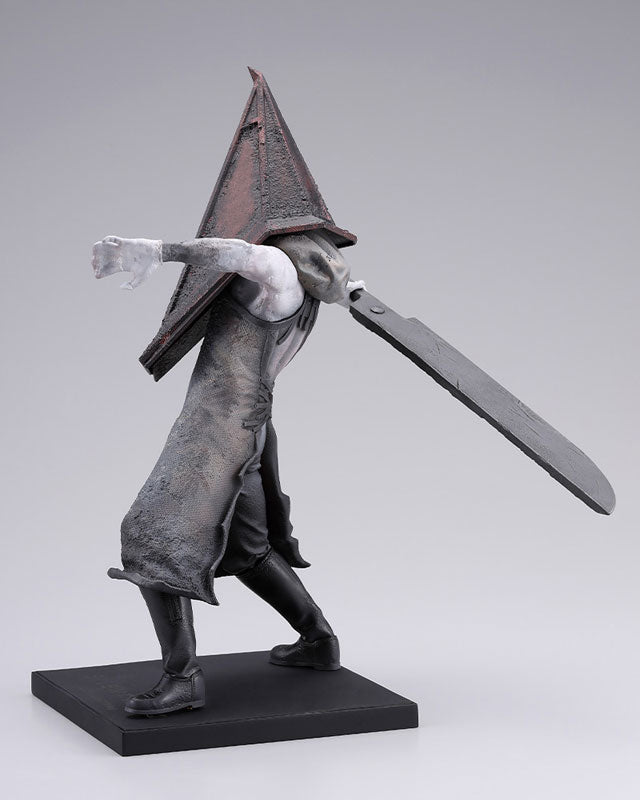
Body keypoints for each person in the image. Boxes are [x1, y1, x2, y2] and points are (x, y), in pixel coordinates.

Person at [92, 231, 364, 716]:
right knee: (249, 546)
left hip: (216, 433)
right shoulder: (312, 289)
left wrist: (159, 251)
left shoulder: (279, 271)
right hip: (250, 427)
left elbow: (240, 253)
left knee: (153, 539)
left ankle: (182, 678)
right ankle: (318, 639)